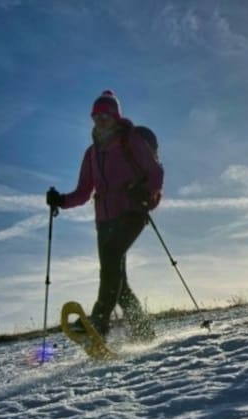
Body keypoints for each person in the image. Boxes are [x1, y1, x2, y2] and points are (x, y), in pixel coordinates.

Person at [46, 90, 163, 339]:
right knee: (117, 281)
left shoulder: (130, 141)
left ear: (115, 117)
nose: (100, 120)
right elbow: (83, 192)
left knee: (111, 257)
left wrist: (146, 192)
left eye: (105, 115)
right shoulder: (91, 154)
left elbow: (155, 172)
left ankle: (99, 321)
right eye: (96, 116)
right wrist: (61, 200)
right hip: (104, 221)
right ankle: (144, 331)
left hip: (132, 212)